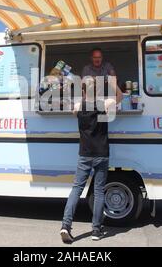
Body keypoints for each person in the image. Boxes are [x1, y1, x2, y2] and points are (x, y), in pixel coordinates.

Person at [60, 77, 122, 243]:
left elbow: (74, 111)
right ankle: (96, 230)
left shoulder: (78, 107)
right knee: (99, 191)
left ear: (82, 91)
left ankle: (65, 226)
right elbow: (120, 96)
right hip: (102, 153)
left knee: (77, 188)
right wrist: (113, 83)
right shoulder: (105, 104)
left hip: (85, 154)